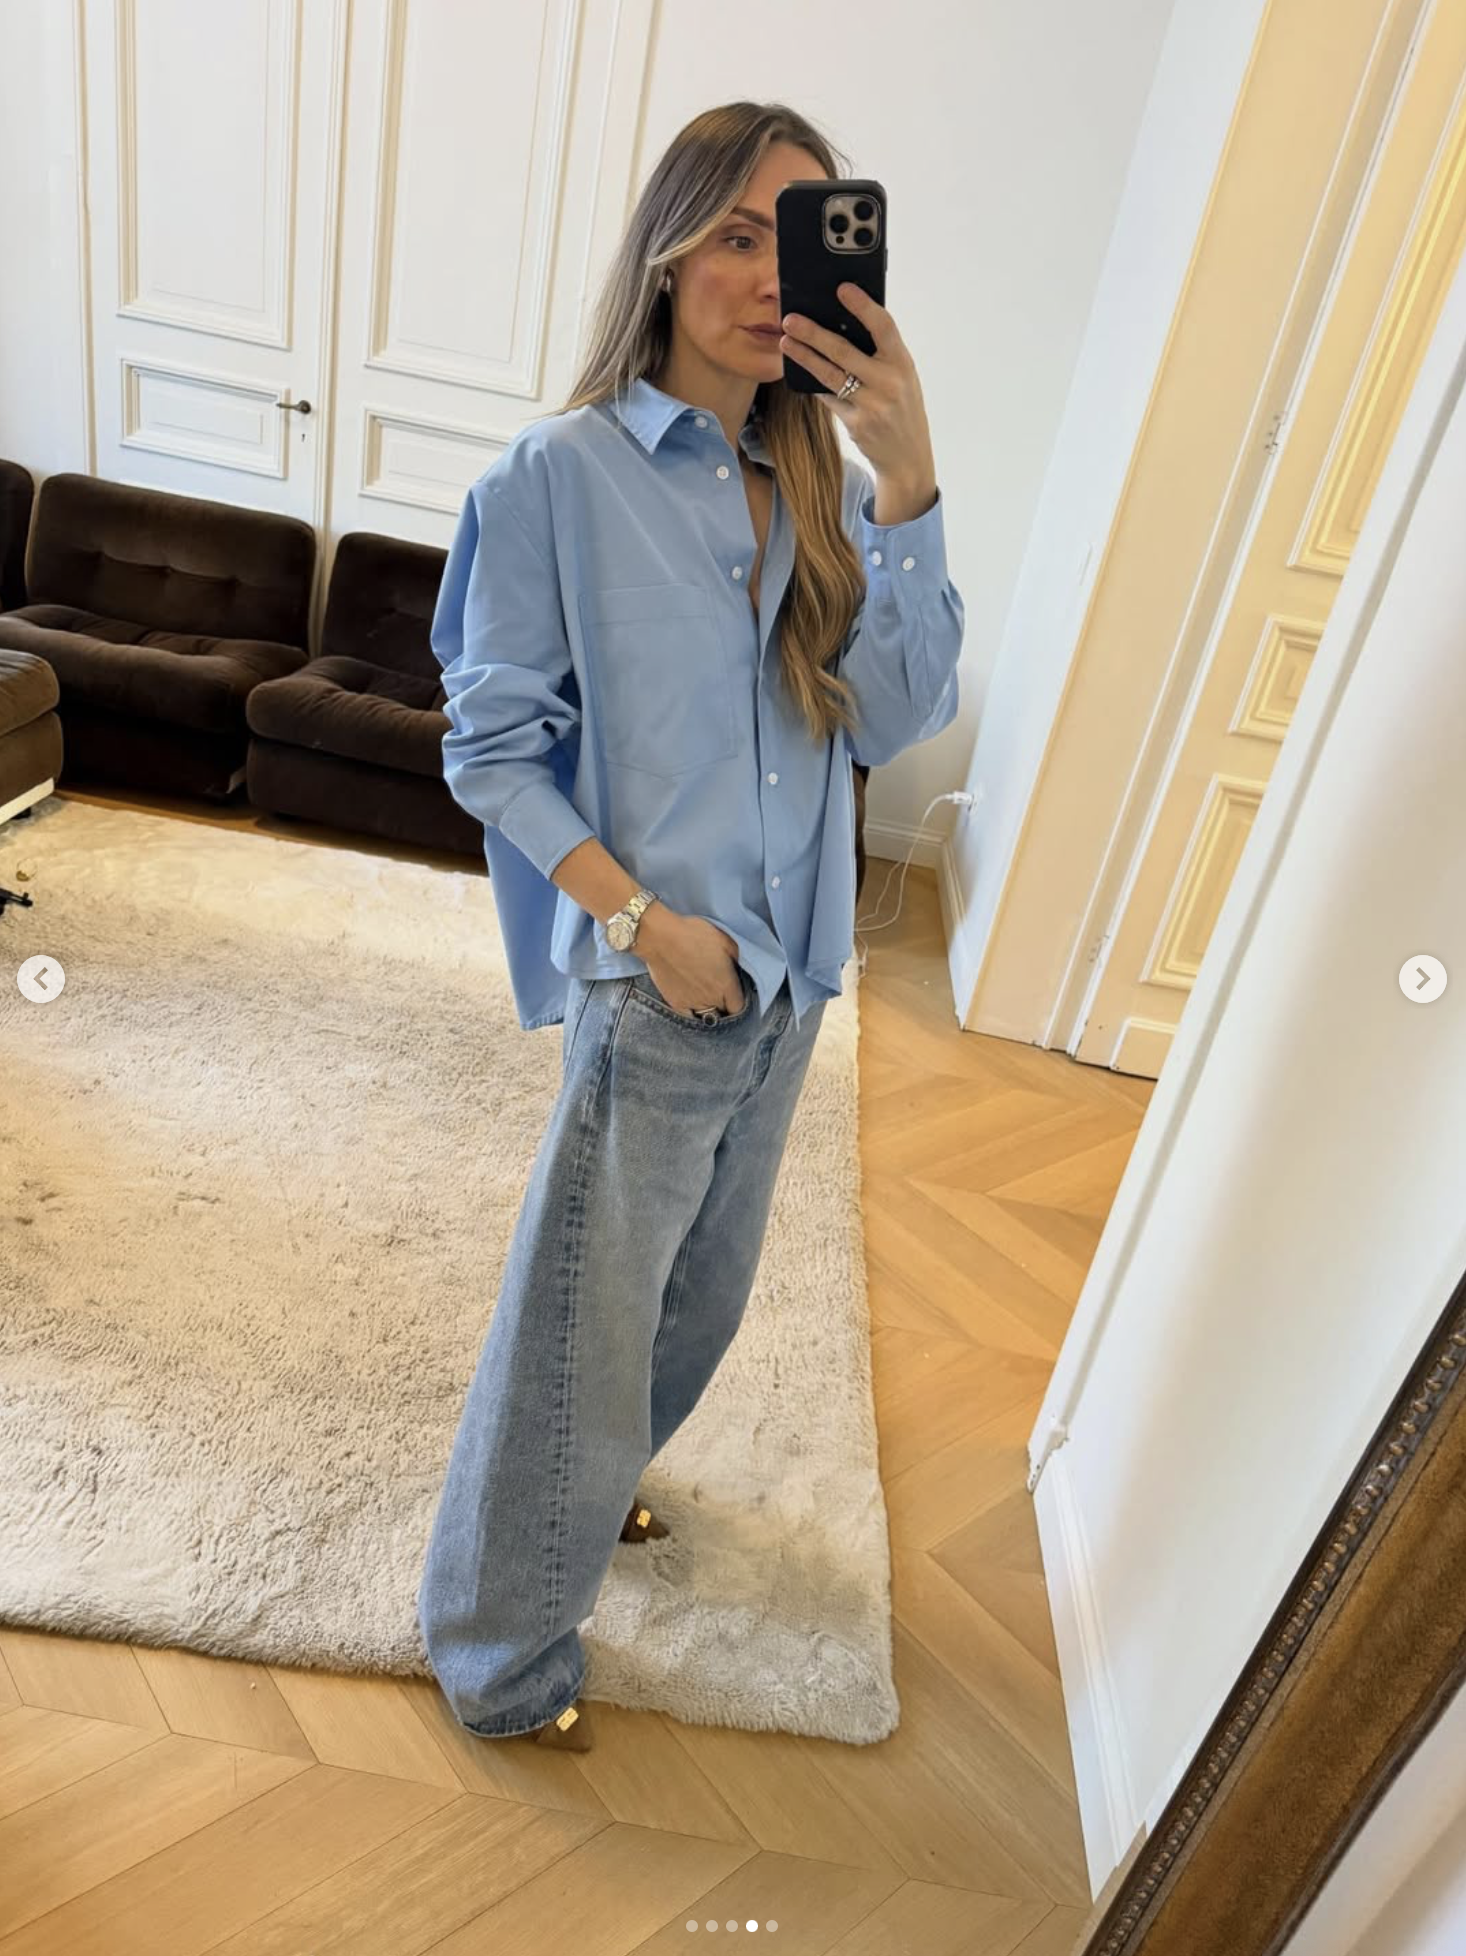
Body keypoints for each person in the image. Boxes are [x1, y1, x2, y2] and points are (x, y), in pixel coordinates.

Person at [416, 100, 964, 1752]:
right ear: (664, 257)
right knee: (577, 1329)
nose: (766, 276)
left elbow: (892, 719)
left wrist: (908, 476)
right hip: (665, 979)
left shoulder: (815, 486)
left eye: (794, 240)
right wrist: (645, 925)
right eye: (735, 234)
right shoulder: (558, 477)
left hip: (792, 982)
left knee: (693, 1303)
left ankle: (591, 1502)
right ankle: (497, 1654)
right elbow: (488, 751)